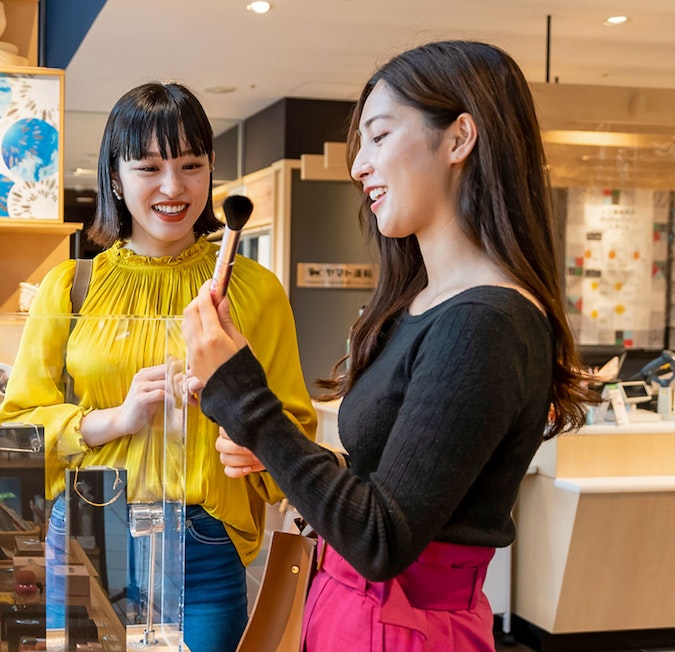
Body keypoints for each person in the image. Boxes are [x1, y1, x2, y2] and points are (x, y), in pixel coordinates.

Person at [182, 40, 594, 650]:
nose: (358, 166)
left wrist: (246, 399)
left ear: (459, 138)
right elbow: (389, 489)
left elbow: (381, 537)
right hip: (351, 613)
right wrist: (280, 451)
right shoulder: (424, 305)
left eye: (378, 136)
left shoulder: (486, 322)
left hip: (401, 629)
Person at [0, 81, 317, 652]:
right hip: (89, 532)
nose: (173, 187)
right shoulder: (69, 287)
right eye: (148, 167)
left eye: (191, 165)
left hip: (203, 545)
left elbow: (294, 434)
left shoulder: (255, 291)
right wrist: (114, 420)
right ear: (115, 178)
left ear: (211, 169)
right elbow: (15, 434)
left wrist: (254, 442)